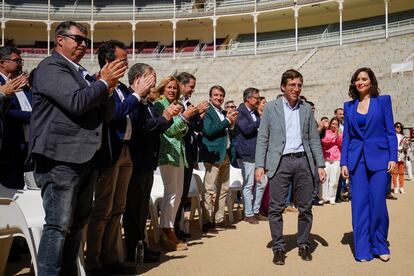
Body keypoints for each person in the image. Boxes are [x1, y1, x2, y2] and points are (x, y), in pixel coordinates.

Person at [29, 21, 127, 275]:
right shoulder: (50, 67)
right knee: (58, 225)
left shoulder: (81, 72)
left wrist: (108, 87)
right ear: (60, 40)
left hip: (84, 158)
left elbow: (106, 115)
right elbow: (76, 102)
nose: (83, 45)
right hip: (59, 157)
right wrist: (103, 83)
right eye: (78, 39)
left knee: (77, 224)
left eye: (86, 41)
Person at [85, 40, 153, 275]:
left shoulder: (123, 88)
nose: (126, 64)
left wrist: (140, 96)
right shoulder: (98, 84)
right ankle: (93, 262)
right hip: (109, 151)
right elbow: (113, 115)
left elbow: (133, 112)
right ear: (107, 61)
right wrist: (137, 95)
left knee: (118, 207)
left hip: (127, 150)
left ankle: (110, 257)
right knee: (103, 207)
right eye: (122, 60)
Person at [255, 69, 325, 266]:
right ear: (283, 87)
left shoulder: (305, 109)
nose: (296, 89)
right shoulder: (271, 108)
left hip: (303, 161)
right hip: (280, 162)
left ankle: (303, 243)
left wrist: (320, 164)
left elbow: (313, 139)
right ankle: (278, 247)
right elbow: (263, 139)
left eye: (299, 85)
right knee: (276, 208)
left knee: (306, 207)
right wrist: (260, 165)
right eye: (292, 85)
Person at [124, 64, 181, 263]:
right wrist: (165, 117)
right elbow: (140, 128)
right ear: (138, 78)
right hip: (136, 161)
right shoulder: (134, 100)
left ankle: (140, 246)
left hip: (147, 161)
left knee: (141, 210)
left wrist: (168, 117)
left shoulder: (147, 102)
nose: (154, 81)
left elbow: (158, 126)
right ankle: (132, 249)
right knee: (133, 210)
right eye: (151, 77)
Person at [340, 67, 397, 262]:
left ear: (371, 82)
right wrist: (344, 162)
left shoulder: (383, 101)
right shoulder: (348, 107)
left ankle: (379, 244)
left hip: (380, 159)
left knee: (378, 203)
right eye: (357, 79)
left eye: (364, 78)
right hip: (357, 161)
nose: (360, 82)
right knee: (359, 205)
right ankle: (363, 249)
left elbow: (390, 131)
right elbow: (347, 137)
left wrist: (393, 157)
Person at [154, 76, 198, 251]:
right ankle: (167, 229)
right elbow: (170, 131)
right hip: (167, 153)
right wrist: (184, 118)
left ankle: (170, 227)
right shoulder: (159, 105)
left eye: (174, 88)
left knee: (178, 194)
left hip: (179, 153)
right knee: (171, 192)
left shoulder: (176, 106)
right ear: (163, 89)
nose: (172, 90)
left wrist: (183, 119)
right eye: (169, 87)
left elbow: (183, 130)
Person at [174, 72, 209, 241]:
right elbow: (181, 127)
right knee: (176, 194)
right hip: (179, 153)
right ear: (181, 84)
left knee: (182, 194)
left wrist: (198, 116)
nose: (192, 90)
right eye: (190, 87)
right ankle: (172, 229)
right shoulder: (175, 104)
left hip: (188, 154)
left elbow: (194, 127)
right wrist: (195, 114)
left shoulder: (189, 104)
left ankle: (178, 227)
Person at [199, 85, 238, 232]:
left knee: (223, 189)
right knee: (209, 189)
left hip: (225, 154)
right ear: (210, 96)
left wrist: (231, 124)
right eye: (216, 95)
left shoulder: (222, 112)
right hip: (213, 154)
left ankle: (219, 219)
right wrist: (227, 121)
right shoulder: (208, 111)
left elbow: (227, 132)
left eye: (221, 95)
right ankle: (207, 221)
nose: (219, 98)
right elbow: (208, 131)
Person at [0, 45, 30, 189]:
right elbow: (8, 112)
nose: (19, 63)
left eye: (20, 61)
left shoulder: (19, 82)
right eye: (16, 60)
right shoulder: (2, 83)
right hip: (9, 142)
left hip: (24, 142)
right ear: (2, 63)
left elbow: (28, 104)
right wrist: (34, 117)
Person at [235, 87, 264, 224]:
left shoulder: (254, 112)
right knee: (249, 184)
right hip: (246, 153)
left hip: (257, 152)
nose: (258, 100)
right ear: (248, 99)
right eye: (256, 98)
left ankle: (256, 210)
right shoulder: (239, 112)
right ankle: (248, 213)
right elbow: (246, 130)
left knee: (261, 183)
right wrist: (260, 120)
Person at [320, 117, 342, 205]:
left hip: (337, 158)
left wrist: (337, 134)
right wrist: (334, 136)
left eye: (336, 124)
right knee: (324, 179)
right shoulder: (326, 132)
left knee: (334, 179)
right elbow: (325, 141)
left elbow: (341, 143)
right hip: (326, 158)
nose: (334, 126)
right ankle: (323, 197)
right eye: (332, 124)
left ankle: (332, 197)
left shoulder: (340, 134)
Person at [391, 122, 408, 194]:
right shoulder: (392, 135)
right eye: (397, 127)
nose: (399, 128)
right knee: (394, 172)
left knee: (401, 172)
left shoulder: (402, 136)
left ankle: (401, 187)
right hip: (395, 153)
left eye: (400, 127)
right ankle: (395, 187)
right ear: (394, 127)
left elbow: (405, 147)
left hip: (401, 154)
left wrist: (406, 143)